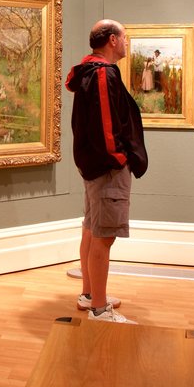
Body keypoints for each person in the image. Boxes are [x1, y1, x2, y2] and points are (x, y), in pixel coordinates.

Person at [64, 19, 148, 324]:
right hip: (106, 169)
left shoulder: (90, 70)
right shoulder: (102, 74)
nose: (127, 42)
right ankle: (99, 309)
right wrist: (120, 158)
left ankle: (89, 295)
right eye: (124, 37)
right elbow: (106, 126)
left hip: (93, 167)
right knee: (103, 238)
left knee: (91, 227)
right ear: (112, 40)